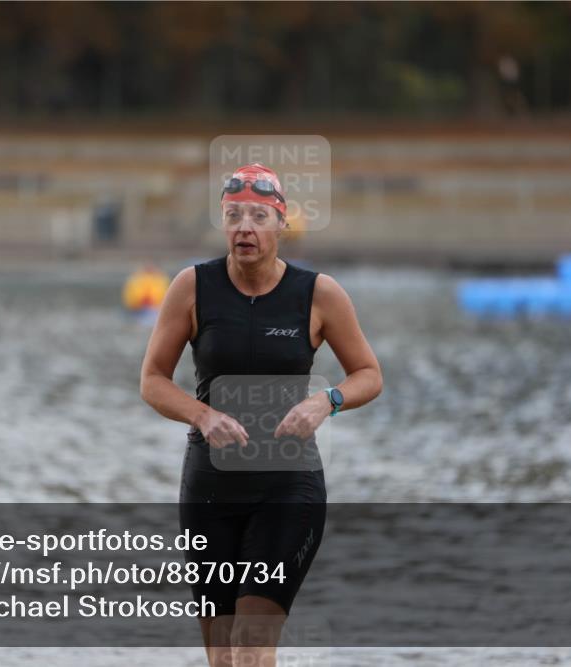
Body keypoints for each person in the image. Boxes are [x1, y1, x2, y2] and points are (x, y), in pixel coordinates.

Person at [140, 163, 382, 667]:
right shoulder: (192, 287)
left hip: (287, 488)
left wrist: (326, 401)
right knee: (221, 656)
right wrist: (203, 416)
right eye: (233, 216)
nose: (243, 227)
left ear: (280, 224)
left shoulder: (318, 294)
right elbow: (153, 381)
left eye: (256, 216)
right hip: (209, 488)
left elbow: (368, 374)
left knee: (251, 649)